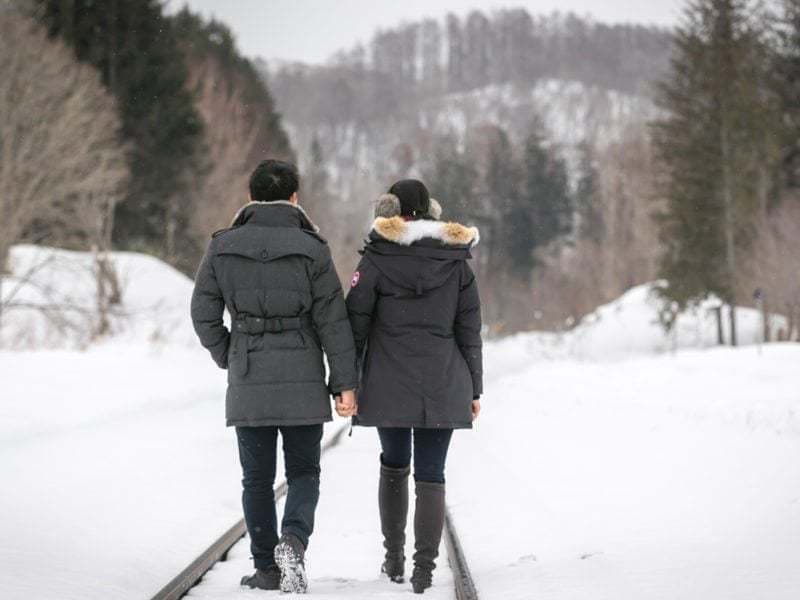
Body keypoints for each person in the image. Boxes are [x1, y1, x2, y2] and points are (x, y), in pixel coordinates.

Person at [190, 159, 358, 594]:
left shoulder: (223, 247)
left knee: (256, 479)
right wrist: (344, 383)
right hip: (302, 372)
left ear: (250, 197)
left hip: (249, 373)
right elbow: (333, 321)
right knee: (304, 472)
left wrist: (229, 352)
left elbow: (203, 312)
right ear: (295, 198)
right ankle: (294, 542)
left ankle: (266, 568)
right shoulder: (312, 248)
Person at [345, 179, 483, 594]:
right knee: (431, 474)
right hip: (443, 379)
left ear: (390, 210)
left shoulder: (375, 259)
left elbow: (354, 324)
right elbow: (469, 331)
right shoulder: (457, 262)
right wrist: (475, 388)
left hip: (387, 379)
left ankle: (394, 559)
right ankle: (425, 569)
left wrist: (346, 382)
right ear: (432, 212)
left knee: (393, 465)